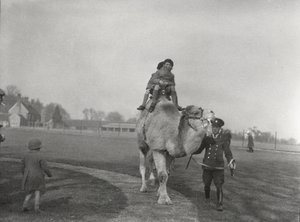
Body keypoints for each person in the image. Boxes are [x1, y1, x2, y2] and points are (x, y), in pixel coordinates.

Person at [193, 118, 236, 211]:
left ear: (220, 128)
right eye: (213, 127)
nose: (214, 129)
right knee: (206, 184)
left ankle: (220, 204)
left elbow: (228, 153)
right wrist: (191, 150)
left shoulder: (223, 139)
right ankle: (207, 199)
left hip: (218, 167)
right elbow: (199, 149)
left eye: (216, 127)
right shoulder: (207, 138)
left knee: (219, 185)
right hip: (207, 166)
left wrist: (230, 160)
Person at [21, 138, 52, 213]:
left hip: (28, 176)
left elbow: (22, 166)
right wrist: (49, 174)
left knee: (30, 191)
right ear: (39, 147)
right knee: (38, 191)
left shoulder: (25, 155)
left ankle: (24, 206)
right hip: (38, 176)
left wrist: (24, 174)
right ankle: (36, 208)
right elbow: (45, 168)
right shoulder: (40, 156)